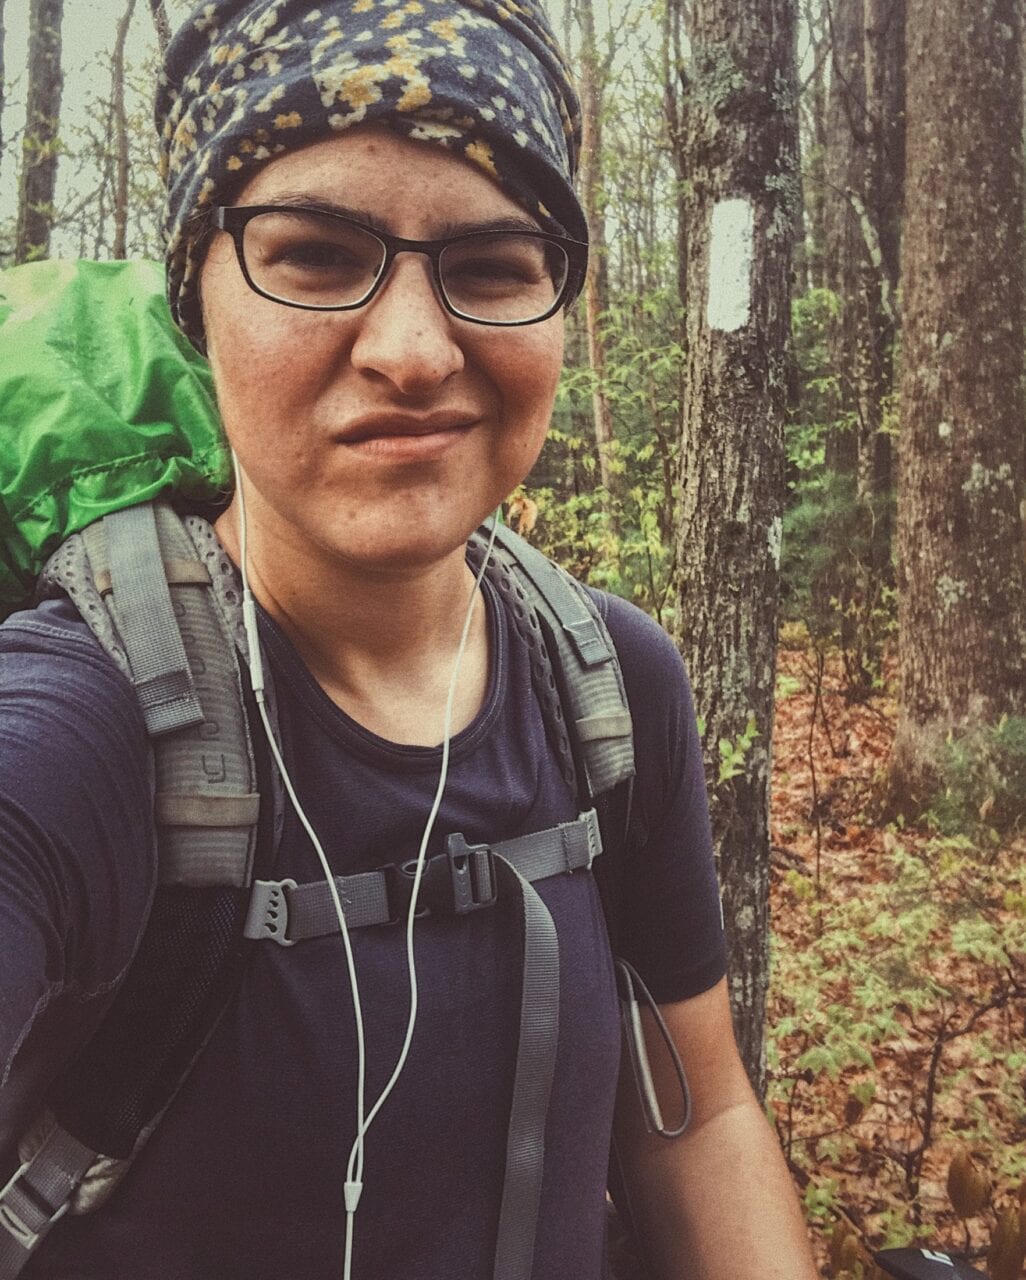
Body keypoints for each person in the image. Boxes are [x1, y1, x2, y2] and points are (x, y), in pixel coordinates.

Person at [0, 2, 819, 1277]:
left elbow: (698, 1120)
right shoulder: (82, 727)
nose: (414, 350)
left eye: (493, 266)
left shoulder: (609, 685)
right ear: (196, 301)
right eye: (318, 255)